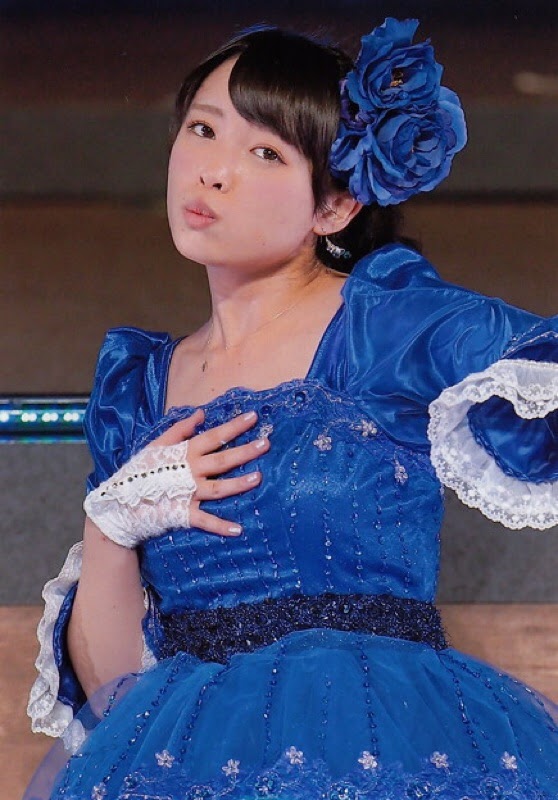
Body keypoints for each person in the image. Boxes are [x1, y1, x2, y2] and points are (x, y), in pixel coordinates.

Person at [25, 19, 557, 800]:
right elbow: (115, 704)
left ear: (334, 205)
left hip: (383, 749)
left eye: (265, 152)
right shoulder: (138, 388)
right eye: (203, 129)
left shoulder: (388, 326)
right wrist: (111, 522)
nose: (213, 171)